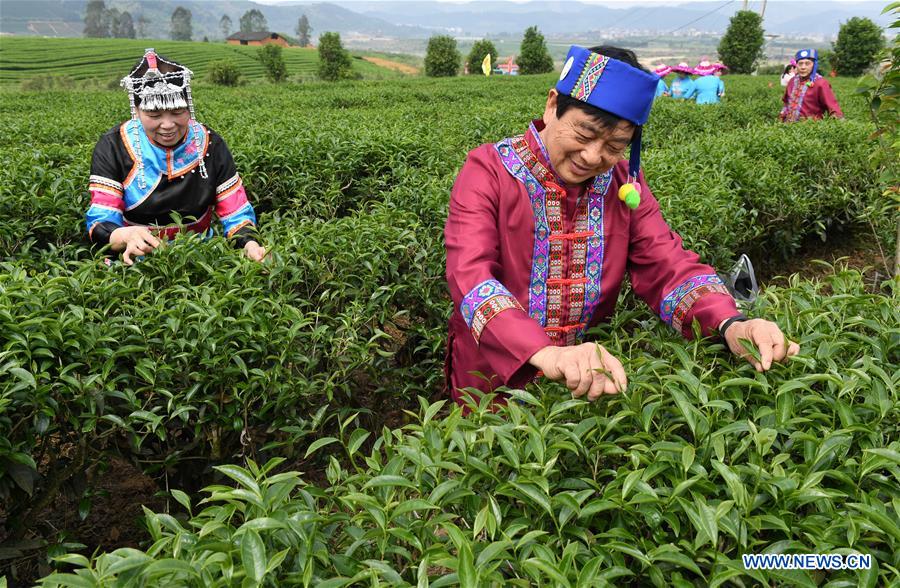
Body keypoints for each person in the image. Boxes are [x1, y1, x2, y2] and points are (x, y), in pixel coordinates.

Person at [444, 45, 799, 406]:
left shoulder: (622, 182)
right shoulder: (490, 170)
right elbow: (470, 275)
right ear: (552, 106)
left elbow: (666, 263)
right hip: (492, 375)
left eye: (615, 145)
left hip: (589, 378)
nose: (593, 156)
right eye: (583, 135)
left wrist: (730, 323)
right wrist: (546, 354)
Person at [86, 48, 265, 265]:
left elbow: (236, 212)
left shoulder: (210, 144)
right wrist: (125, 236)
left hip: (200, 256)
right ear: (136, 109)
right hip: (134, 258)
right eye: (154, 115)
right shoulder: (114, 146)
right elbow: (101, 221)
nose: (168, 125)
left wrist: (250, 244)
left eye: (178, 112)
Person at [779, 49, 843, 122]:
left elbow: (833, 107)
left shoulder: (821, 83)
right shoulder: (792, 81)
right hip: (788, 126)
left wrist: (839, 124)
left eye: (807, 63)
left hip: (810, 128)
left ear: (814, 65)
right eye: (800, 63)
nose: (803, 67)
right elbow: (786, 103)